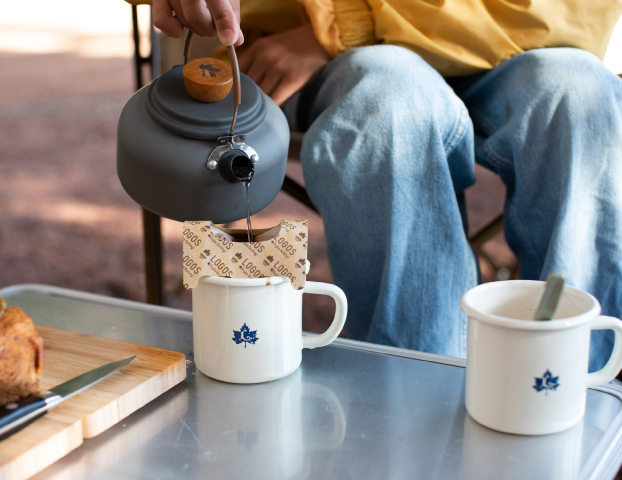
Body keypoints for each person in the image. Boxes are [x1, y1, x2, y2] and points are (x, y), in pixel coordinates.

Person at [154, 0, 622, 370]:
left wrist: (335, 25)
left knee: (581, 91)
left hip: (515, 43)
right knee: (391, 96)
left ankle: (570, 383)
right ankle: (413, 391)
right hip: (321, 58)